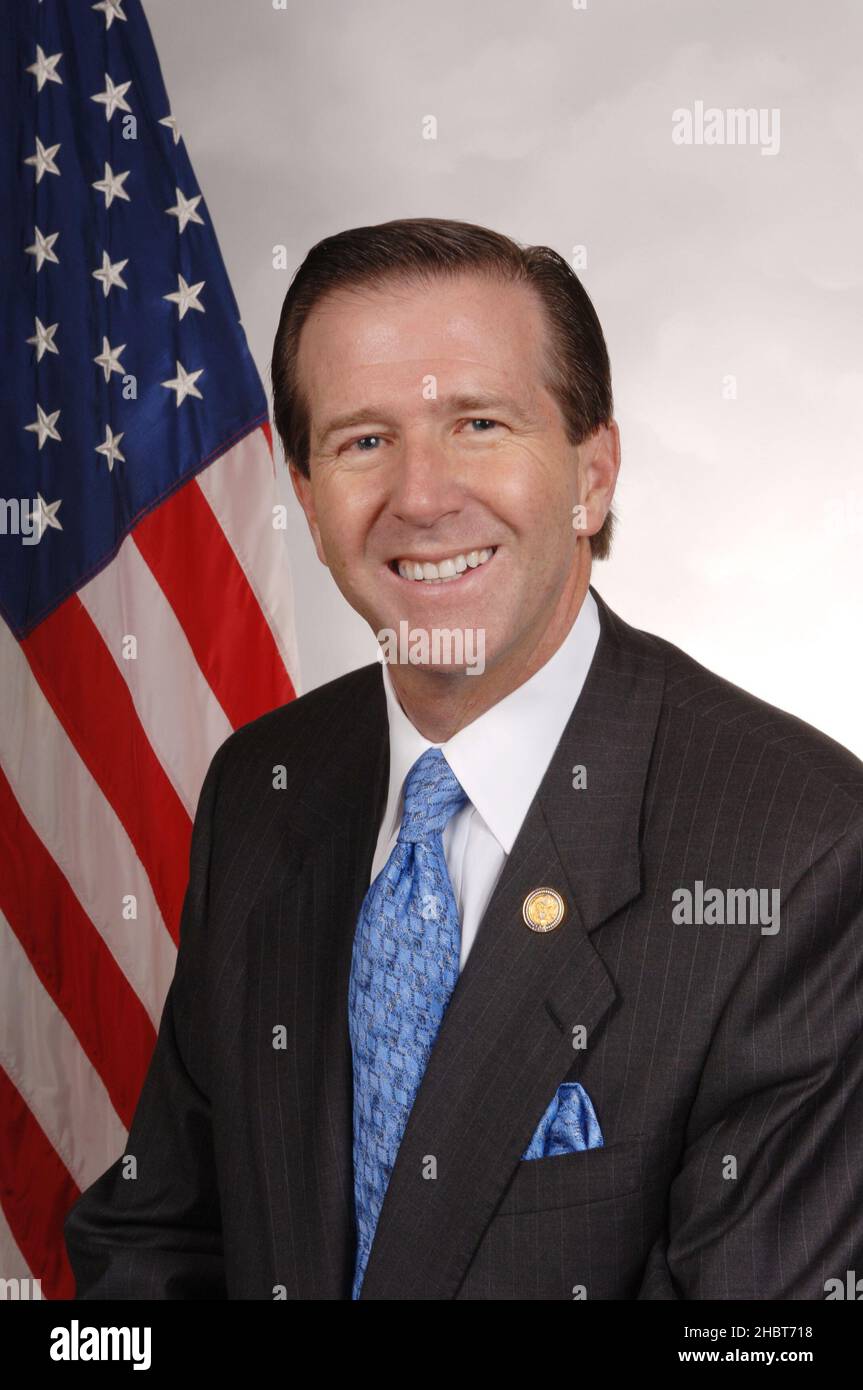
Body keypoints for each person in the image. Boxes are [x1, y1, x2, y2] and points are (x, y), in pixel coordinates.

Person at [65, 218, 863, 1300]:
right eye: (361, 441)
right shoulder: (265, 784)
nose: (423, 496)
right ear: (303, 494)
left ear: (591, 472)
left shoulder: (800, 854)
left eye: (477, 423)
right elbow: (154, 1240)